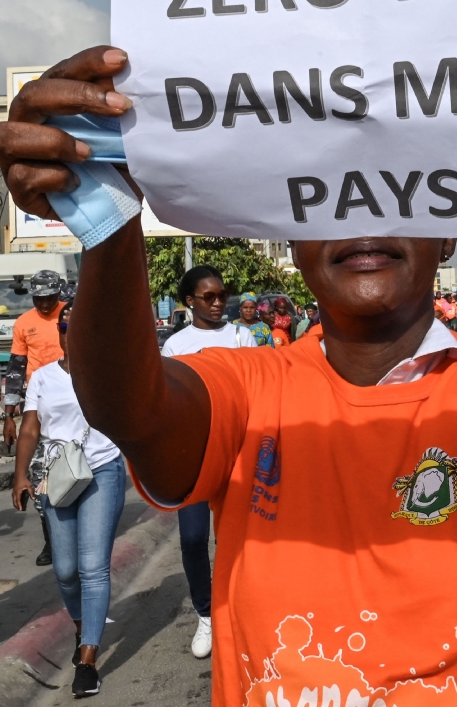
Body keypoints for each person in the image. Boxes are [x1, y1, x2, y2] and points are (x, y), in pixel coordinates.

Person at [0, 0, 457, 705]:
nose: (363, 212)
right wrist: (106, 228)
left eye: (398, 184)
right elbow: (127, 407)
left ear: (450, 233)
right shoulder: (247, 387)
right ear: (290, 237)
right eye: (328, 193)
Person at [12, 314, 127, 699]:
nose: (72, 337)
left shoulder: (108, 372)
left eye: (81, 330)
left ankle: (89, 658)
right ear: (59, 335)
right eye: (66, 331)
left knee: (93, 566)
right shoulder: (43, 377)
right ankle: (82, 628)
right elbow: (30, 427)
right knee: (65, 570)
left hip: (102, 471)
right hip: (58, 476)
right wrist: (20, 475)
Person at [159, 264, 260, 660]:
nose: (219, 303)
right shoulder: (175, 346)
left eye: (222, 296)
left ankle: (242, 609)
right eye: (209, 297)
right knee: (194, 538)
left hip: (239, 451)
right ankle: (206, 614)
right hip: (195, 456)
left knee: (241, 536)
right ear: (190, 302)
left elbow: (257, 390)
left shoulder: (242, 335)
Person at [7, 270, 68, 565]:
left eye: (51, 299)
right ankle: (51, 542)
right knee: (41, 472)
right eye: (40, 299)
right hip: (37, 403)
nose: (45, 305)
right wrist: (8, 413)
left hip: (71, 400)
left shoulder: (70, 314)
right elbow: (16, 368)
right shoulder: (24, 324)